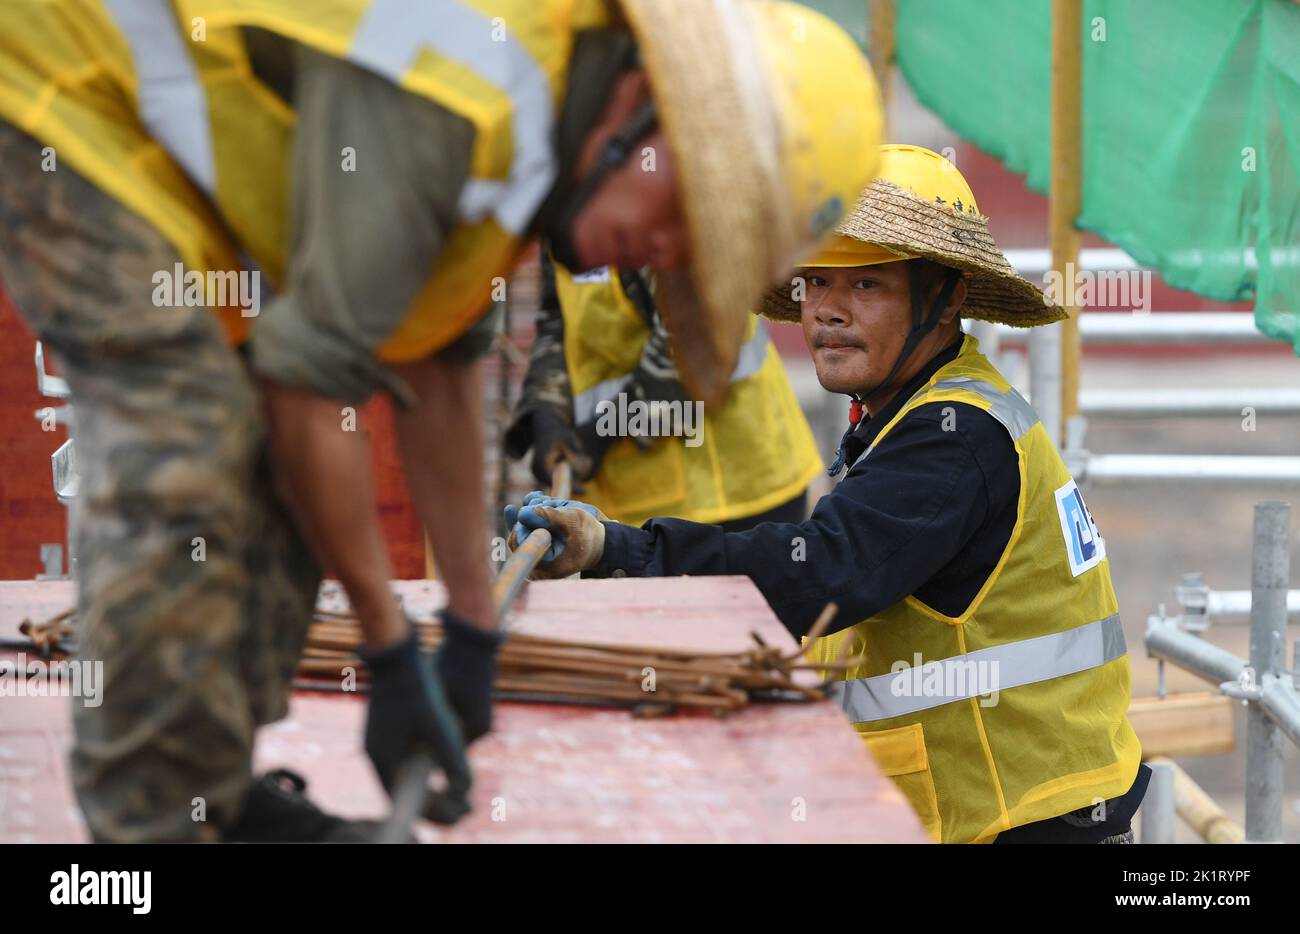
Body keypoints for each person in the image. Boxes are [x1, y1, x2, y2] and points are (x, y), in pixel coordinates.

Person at [0, 0, 881, 841]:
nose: (664, 259)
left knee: (263, 440)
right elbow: (312, 400)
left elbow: (445, 361)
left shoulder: (537, 130)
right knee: (196, 443)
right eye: (685, 224)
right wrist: (389, 652)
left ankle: (213, 795)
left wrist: (467, 632)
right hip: (66, 93)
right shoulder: (462, 95)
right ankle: (142, 828)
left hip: (182, 159)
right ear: (638, 109)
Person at [507, 145, 1149, 844]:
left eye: (865, 286)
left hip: (1022, 818)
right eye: (815, 281)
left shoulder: (950, 437)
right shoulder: (918, 410)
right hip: (1022, 798)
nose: (828, 312)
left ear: (948, 295)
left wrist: (618, 548)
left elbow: (816, 574)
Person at [505, 249, 822, 529]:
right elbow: (556, 323)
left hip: (738, 488)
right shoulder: (562, 215)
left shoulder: (658, 206)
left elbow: (693, 339)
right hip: (634, 504)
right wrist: (547, 411)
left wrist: (598, 435)